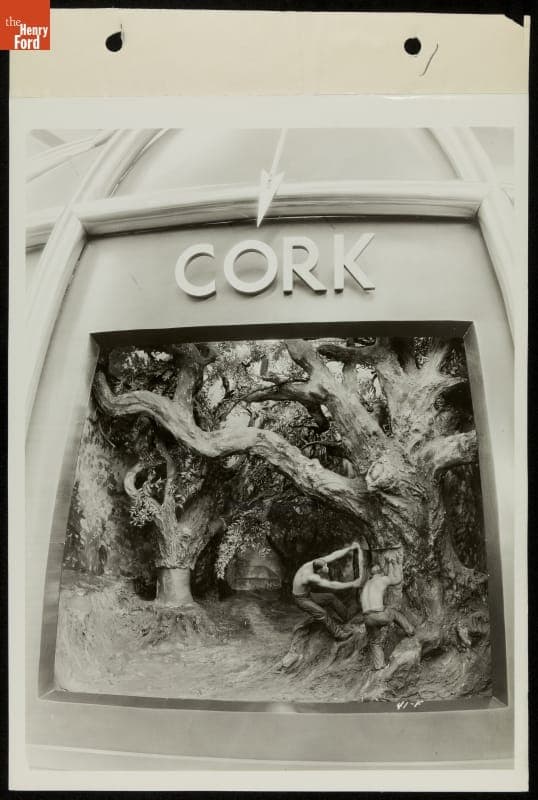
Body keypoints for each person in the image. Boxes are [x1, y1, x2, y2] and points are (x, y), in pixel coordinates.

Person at [292, 544, 362, 640]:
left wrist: (349, 548)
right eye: (325, 567)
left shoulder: (315, 563)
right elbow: (333, 585)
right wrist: (353, 584)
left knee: (331, 597)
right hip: (301, 599)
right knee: (322, 613)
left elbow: (334, 555)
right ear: (319, 569)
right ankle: (339, 635)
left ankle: (347, 617)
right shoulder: (310, 576)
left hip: (308, 595)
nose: (327, 568)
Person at [360, 554, 415, 669]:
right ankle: (410, 631)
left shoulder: (366, 585)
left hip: (367, 618)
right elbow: (397, 579)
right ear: (380, 573)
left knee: (375, 642)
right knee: (394, 613)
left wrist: (389, 565)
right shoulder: (380, 580)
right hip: (379, 615)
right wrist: (394, 563)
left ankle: (379, 666)